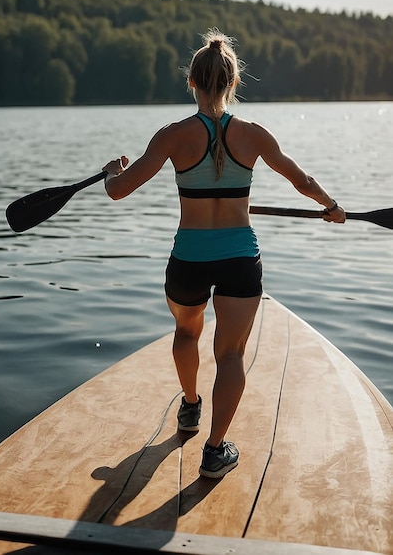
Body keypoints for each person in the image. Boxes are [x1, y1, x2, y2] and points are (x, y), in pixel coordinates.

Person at [102, 28, 346, 479]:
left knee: (186, 333)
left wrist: (109, 172)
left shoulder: (172, 136)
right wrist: (331, 208)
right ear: (232, 83)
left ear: (191, 82)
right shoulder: (254, 135)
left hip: (189, 259)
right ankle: (215, 450)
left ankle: (190, 407)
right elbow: (303, 181)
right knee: (230, 355)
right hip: (239, 259)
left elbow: (118, 191)